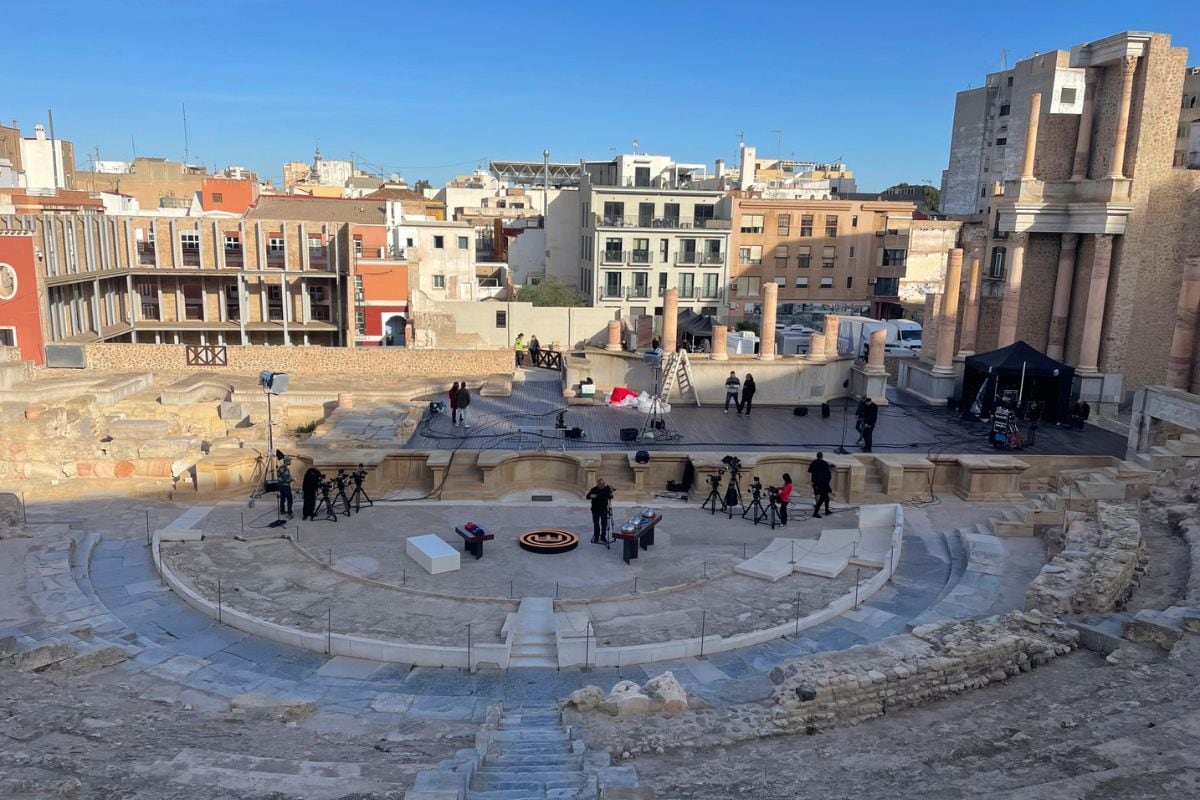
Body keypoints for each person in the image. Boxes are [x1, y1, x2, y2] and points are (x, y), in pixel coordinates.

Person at [586, 478, 614, 544]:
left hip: (604, 510)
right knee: (596, 524)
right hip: (595, 510)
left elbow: (611, 497)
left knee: (604, 524)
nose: (603, 485)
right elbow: (588, 496)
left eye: (604, 484)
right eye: (601, 484)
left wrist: (610, 494)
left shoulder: (606, 489)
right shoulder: (594, 489)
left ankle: (603, 537)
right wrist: (595, 496)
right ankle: (596, 537)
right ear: (598, 484)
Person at [808, 453, 833, 518]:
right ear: (822, 456)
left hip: (816, 483)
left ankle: (826, 510)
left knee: (826, 498)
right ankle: (816, 513)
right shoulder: (825, 465)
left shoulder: (814, 462)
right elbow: (825, 479)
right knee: (822, 500)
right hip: (822, 486)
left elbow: (809, 470)